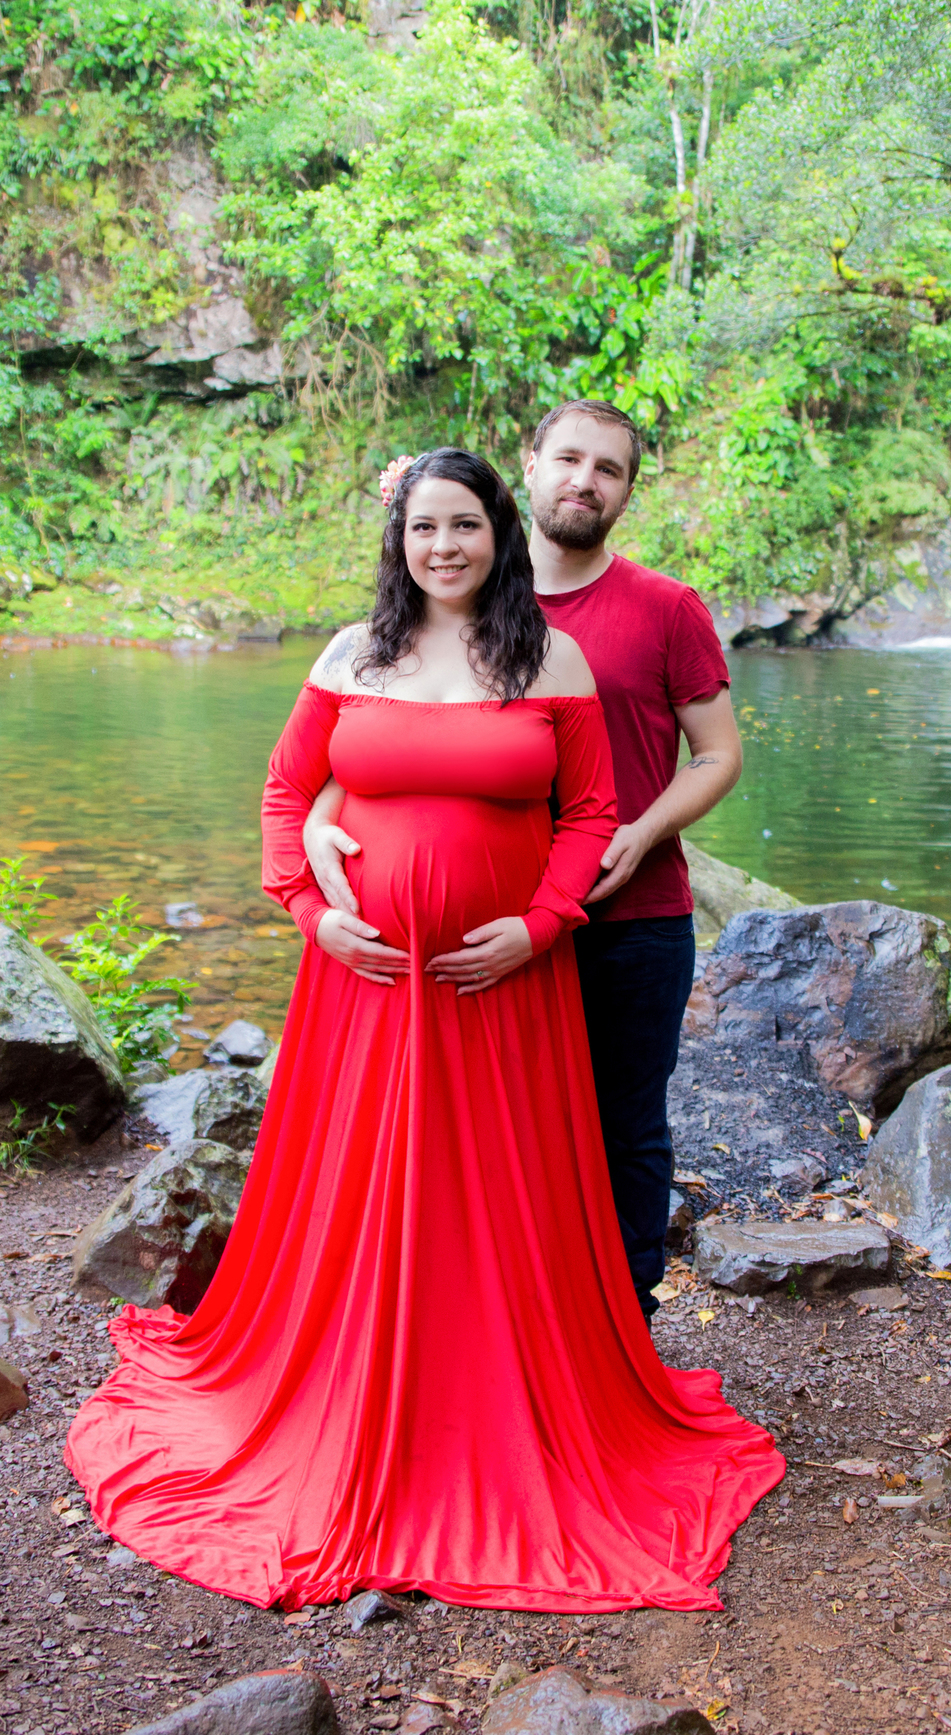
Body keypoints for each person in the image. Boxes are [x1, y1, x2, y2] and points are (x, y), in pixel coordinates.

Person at [64, 449, 782, 1614]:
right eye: (423, 529)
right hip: (367, 983)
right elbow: (289, 799)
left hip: (507, 985)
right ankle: (349, 1392)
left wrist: (541, 927)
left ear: (499, 533)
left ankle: (494, 1402)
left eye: (464, 527)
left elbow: (591, 810)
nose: (443, 548)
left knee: (498, 1188)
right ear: (400, 540)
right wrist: (312, 910)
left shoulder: (552, 658)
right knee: (362, 1181)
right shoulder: (354, 653)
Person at [304, 400, 741, 1322]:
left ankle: (622, 1325)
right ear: (529, 467)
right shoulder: (450, 592)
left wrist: (644, 827)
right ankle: (482, 1325)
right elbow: (384, 742)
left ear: (626, 491)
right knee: (489, 1136)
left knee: (622, 1127)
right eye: (569, 460)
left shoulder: (664, 608)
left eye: (609, 469)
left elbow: (718, 754)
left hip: (626, 913)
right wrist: (319, 820)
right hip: (478, 928)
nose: (586, 481)